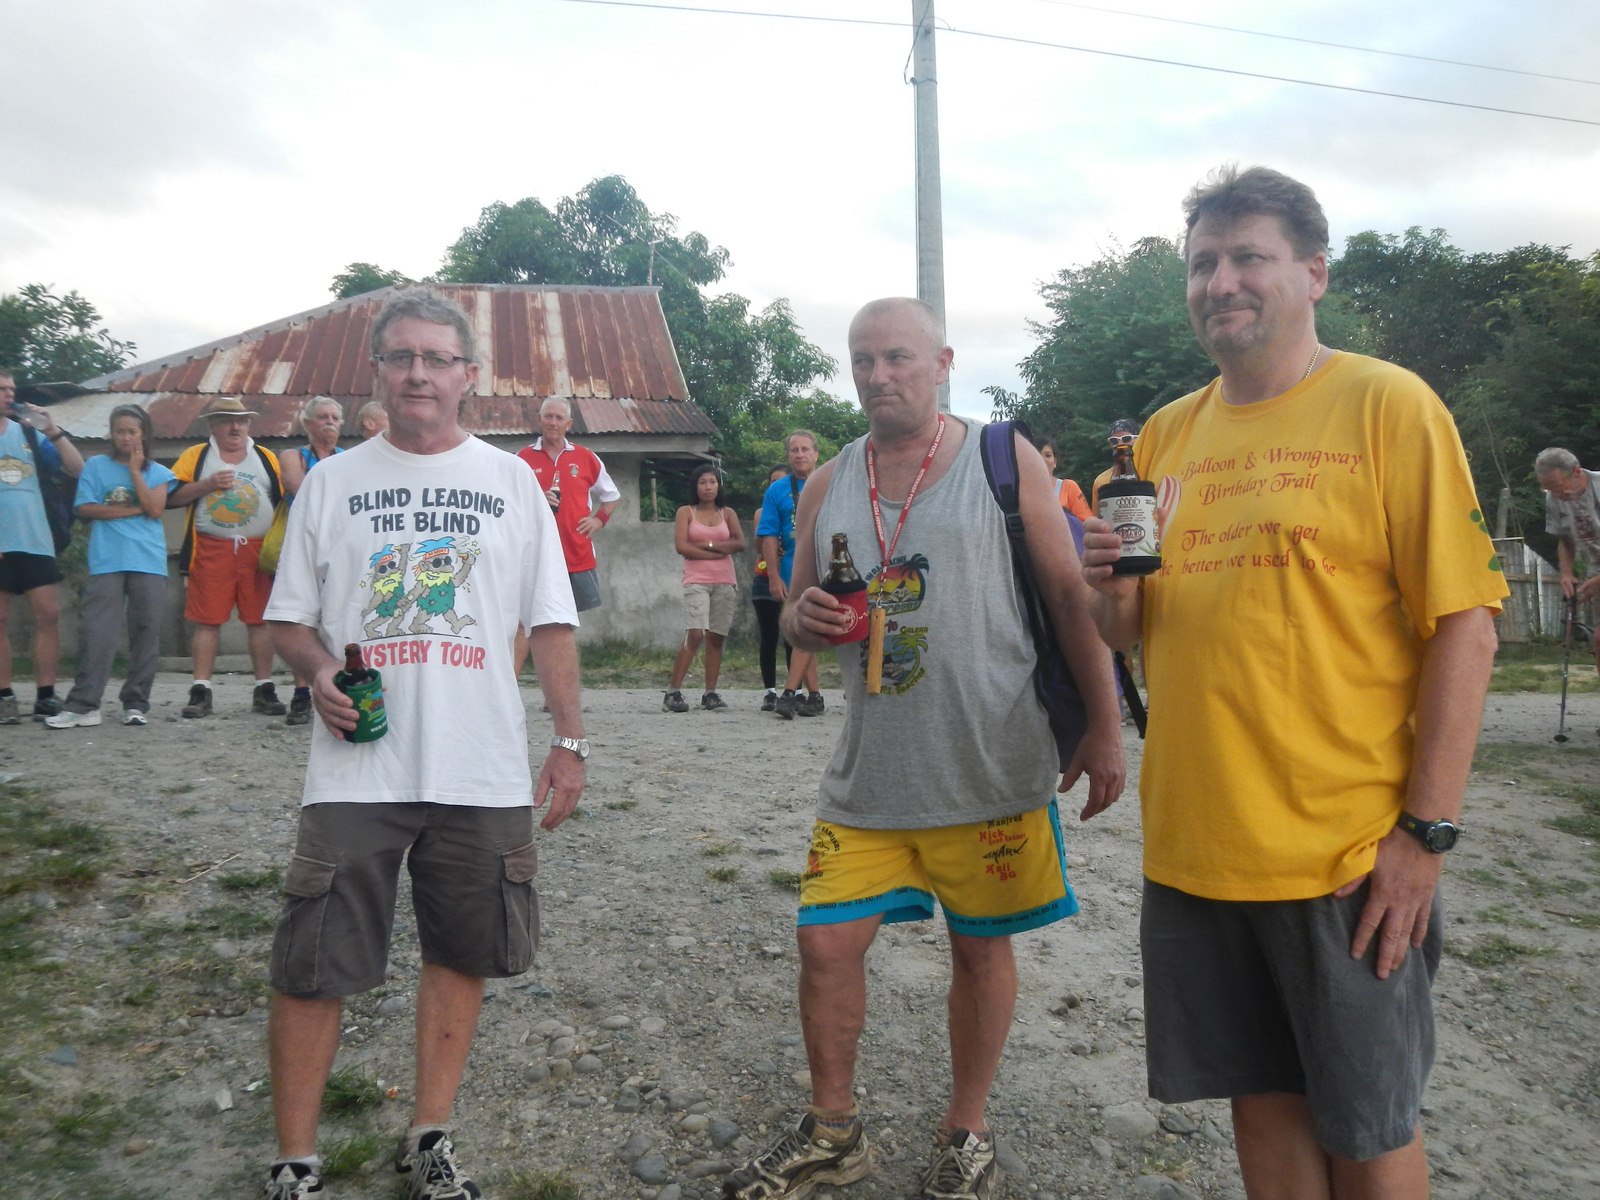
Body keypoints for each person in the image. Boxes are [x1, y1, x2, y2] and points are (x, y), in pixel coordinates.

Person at [1080, 165, 1507, 1199]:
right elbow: (1128, 633)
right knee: (1261, 1108)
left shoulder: (1386, 406)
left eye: (1248, 258)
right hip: (1199, 844)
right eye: (1202, 264)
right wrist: (1109, 587)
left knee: (1367, 1127)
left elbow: (1466, 627)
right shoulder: (1163, 437)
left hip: (1342, 856)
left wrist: (1425, 836)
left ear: (1313, 273)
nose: (1219, 282)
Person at [723, 297, 1124, 1200]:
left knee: (979, 951)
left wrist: (1104, 727)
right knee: (824, 944)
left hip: (991, 765)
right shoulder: (828, 482)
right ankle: (834, 1132)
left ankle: (965, 1132)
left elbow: (1071, 599)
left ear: (942, 363)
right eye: (863, 360)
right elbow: (797, 610)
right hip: (871, 774)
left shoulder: (1001, 458)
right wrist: (807, 618)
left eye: (898, 357)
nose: (878, 377)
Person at [261, 291, 587, 1200]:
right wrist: (317, 672)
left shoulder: (510, 482)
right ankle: (296, 1161)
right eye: (401, 357)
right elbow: (288, 620)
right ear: (376, 370)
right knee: (313, 960)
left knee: (462, 952)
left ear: (467, 376)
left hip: (479, 765)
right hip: (355, 765)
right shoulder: (332, 482)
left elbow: (550, 623)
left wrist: (569, 741)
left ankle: (430, 1137)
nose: (418, 374)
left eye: (437, 359)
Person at [45, 406, 176, 729]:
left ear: (143, 434)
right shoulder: (95, 466)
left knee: (145, 631)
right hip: (107, 560)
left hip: (147, 560)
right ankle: (84, 705)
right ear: (111, 433)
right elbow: (85, 508)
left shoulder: (158, 472)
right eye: (120, 431)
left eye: (132, 431)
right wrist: (133, 510)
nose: (126, 438)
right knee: (97, 632)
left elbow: (155, 509)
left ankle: (136, 703)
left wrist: (135, 472)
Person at [169, 396, 286, 718]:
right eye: (226, 420)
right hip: (211, 548)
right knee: (207, 621)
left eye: (241, 420)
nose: (235, 426)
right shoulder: (195, 456)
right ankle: (200, 690)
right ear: (212, 425)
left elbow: (284, 502)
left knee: (260, 620)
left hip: (258, 551)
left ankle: (264, 688)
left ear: (248, 424)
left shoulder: (266, 457)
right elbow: (171, 497)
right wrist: (206, 485)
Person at [0, 367, 84, 723]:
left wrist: (52, 430)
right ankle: (4, 696)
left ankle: (46, 695)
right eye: (2, 389)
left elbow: (76, 468)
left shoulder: (28, 434)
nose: (9, 394)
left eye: (11, 388)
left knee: (48, 615)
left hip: (35, 539)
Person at [278, 396, 346, 725]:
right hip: (303, 547)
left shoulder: (347, 459)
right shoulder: (293, 456)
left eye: (335, 417)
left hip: (338, 548)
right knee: (301, 619)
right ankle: (301, 692)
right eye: (322, 417)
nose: (329, 422)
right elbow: (300, 489)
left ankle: (337, 683)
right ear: (307, 423)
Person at [662, 463, 745, 712]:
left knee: (717, 637)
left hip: (725, 580)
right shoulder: (686, 512)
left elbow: (739, 543)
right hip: (696, 580)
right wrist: (717, 550)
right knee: (695, 633)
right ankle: (673, 692)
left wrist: (705, 546)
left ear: (718, 485)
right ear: (695, 486)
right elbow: (681, 546)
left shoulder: (727, 513)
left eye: (712, 482)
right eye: (703, 482)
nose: (708, 487)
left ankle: (710, 693)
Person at [757, 431, 824, 719]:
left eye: (805, 449)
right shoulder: (777, 491)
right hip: (794, 570)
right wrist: (773, 576)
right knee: (802, 628)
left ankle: (793, 692)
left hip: (830, 565)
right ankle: (810, 695)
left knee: (810, 630)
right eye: (794, 450)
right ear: (788, 456)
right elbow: (769, 535)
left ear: (816, 453)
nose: (800, 454)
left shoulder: (831, 481)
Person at [1535, 447, 1600, 673]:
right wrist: (1566, 572)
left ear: (1577, 471)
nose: (1556, 495)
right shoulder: (1554, 499)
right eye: (1549, 489)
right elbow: (1565, 539)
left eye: (1559, 487)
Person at [749, 464, 788, 710]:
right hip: (765, 578)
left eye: (782, 481)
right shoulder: (761, 512)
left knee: (794, 637)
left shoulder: (799, 509)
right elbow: (759, 546)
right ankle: (770, 691)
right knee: (769, 636)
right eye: (773, 481)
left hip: (792, 575)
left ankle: (796, 690)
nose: (777, 485)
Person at [1088, 418, 1140, 511]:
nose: (1120, 443)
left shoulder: (1150, 468)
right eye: (1114, 441)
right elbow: (1097, 516)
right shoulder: (1101, 481)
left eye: (1126, 439)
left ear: (1138, 439)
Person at [1034, 436, 1091, 520]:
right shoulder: (1020, 490)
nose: (1042, 460)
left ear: (1055, 462)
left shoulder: (1068, 487)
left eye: (1048, 455)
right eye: (1036, 455)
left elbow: (1086, 521)